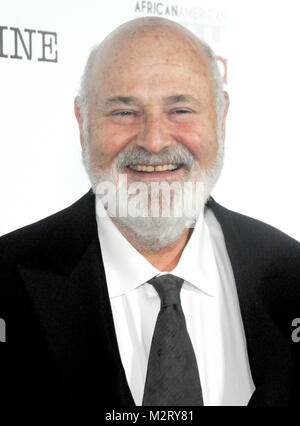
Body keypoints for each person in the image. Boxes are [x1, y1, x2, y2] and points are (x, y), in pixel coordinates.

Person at [0, 16, 300, 409]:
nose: (154, 141)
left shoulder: (292, 275)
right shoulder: (7, 280)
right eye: (124, 112)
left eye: (181, 110)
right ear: (82, 122)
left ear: (221, 119)